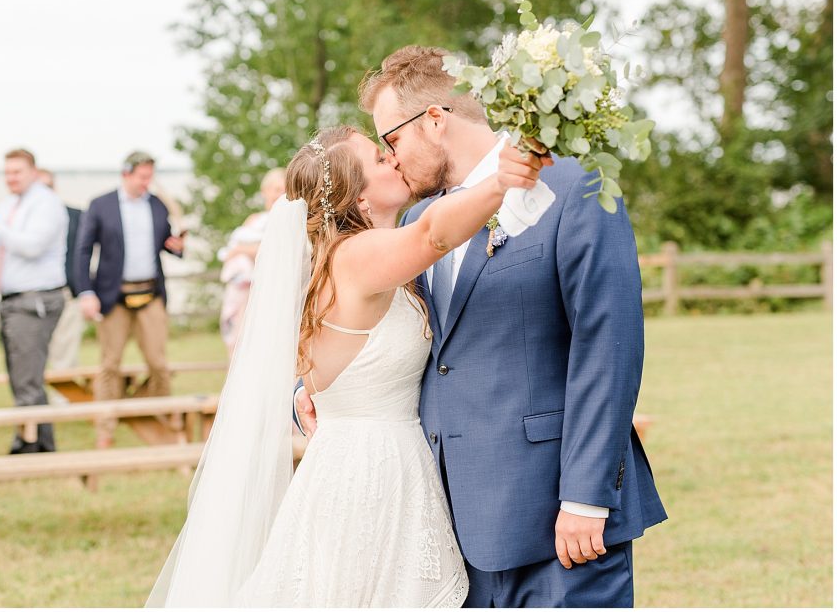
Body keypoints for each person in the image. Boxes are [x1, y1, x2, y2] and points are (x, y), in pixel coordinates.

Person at [297, 45, 668, 608]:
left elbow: (607, 344)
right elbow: (378, 334)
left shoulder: (573, 186)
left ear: (436, 122)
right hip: (443, 524)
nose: (391, 160)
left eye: (392, 140)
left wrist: (588, 497)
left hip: (557, 520)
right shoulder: (420, 222)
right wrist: (313, 389)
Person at [148, 126, 546, 606]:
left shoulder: (339, 260)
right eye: (381, 159)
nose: (395, 161)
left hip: (354, 458)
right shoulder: (356, 257)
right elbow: (433, 233)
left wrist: (313, 391)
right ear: (359, 199)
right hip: (371, 475)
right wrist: (500, 180)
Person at [74, 151, 185, 448]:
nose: (147, 183)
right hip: (112, 296)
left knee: (158, 363)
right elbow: (83, 251)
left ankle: (160, 418)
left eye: (151, 177)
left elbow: (167, 241)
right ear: (126, 174)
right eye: (143, 177)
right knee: (110, 364)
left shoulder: (158, 205)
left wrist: (176, 246)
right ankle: (105, 427)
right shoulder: (101, 205)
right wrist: (86, 293)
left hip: (151, 294)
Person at [0, 149, 68, 454]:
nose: (11, 178)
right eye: (7, 172)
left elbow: (32, 247)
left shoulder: (47, 203)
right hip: (11, 300)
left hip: (35, 300)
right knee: (20, 377)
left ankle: (29, 445)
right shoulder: (10, 204)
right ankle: (38, 441)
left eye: (17, 172)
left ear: (34, 172)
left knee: (28, 379)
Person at [217, 168, 286, 356]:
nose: (280, 194)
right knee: (237, 344)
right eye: (276, 189)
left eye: (285, 190)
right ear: (265, 191)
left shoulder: (287, 222)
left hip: (268, 293)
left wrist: (241, 250)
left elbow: (273, 252)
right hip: (241, 290)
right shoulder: (254, 220)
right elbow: (232, 248)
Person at [37, 168, 84, 371]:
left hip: (68, 295)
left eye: (48, 186)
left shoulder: (77, 216)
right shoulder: (17, 220)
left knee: (65, 359)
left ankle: (64, 401)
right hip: (31, 298)